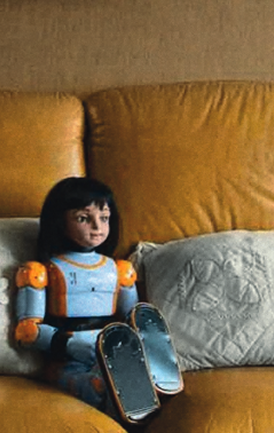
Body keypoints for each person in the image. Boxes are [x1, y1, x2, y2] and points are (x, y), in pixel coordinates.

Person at [14, 177, 182, 424]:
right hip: (67, 359)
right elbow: (27, 332)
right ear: (59, 221)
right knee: (96, 387)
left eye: (104, 218)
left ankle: (150, 389)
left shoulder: (120, 270)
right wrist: (67, 344)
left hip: (111, 351)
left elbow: (131, 318)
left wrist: (141, 338)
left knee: (129, 381)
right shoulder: (40, 272)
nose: (97, 227)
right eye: (83, 218)